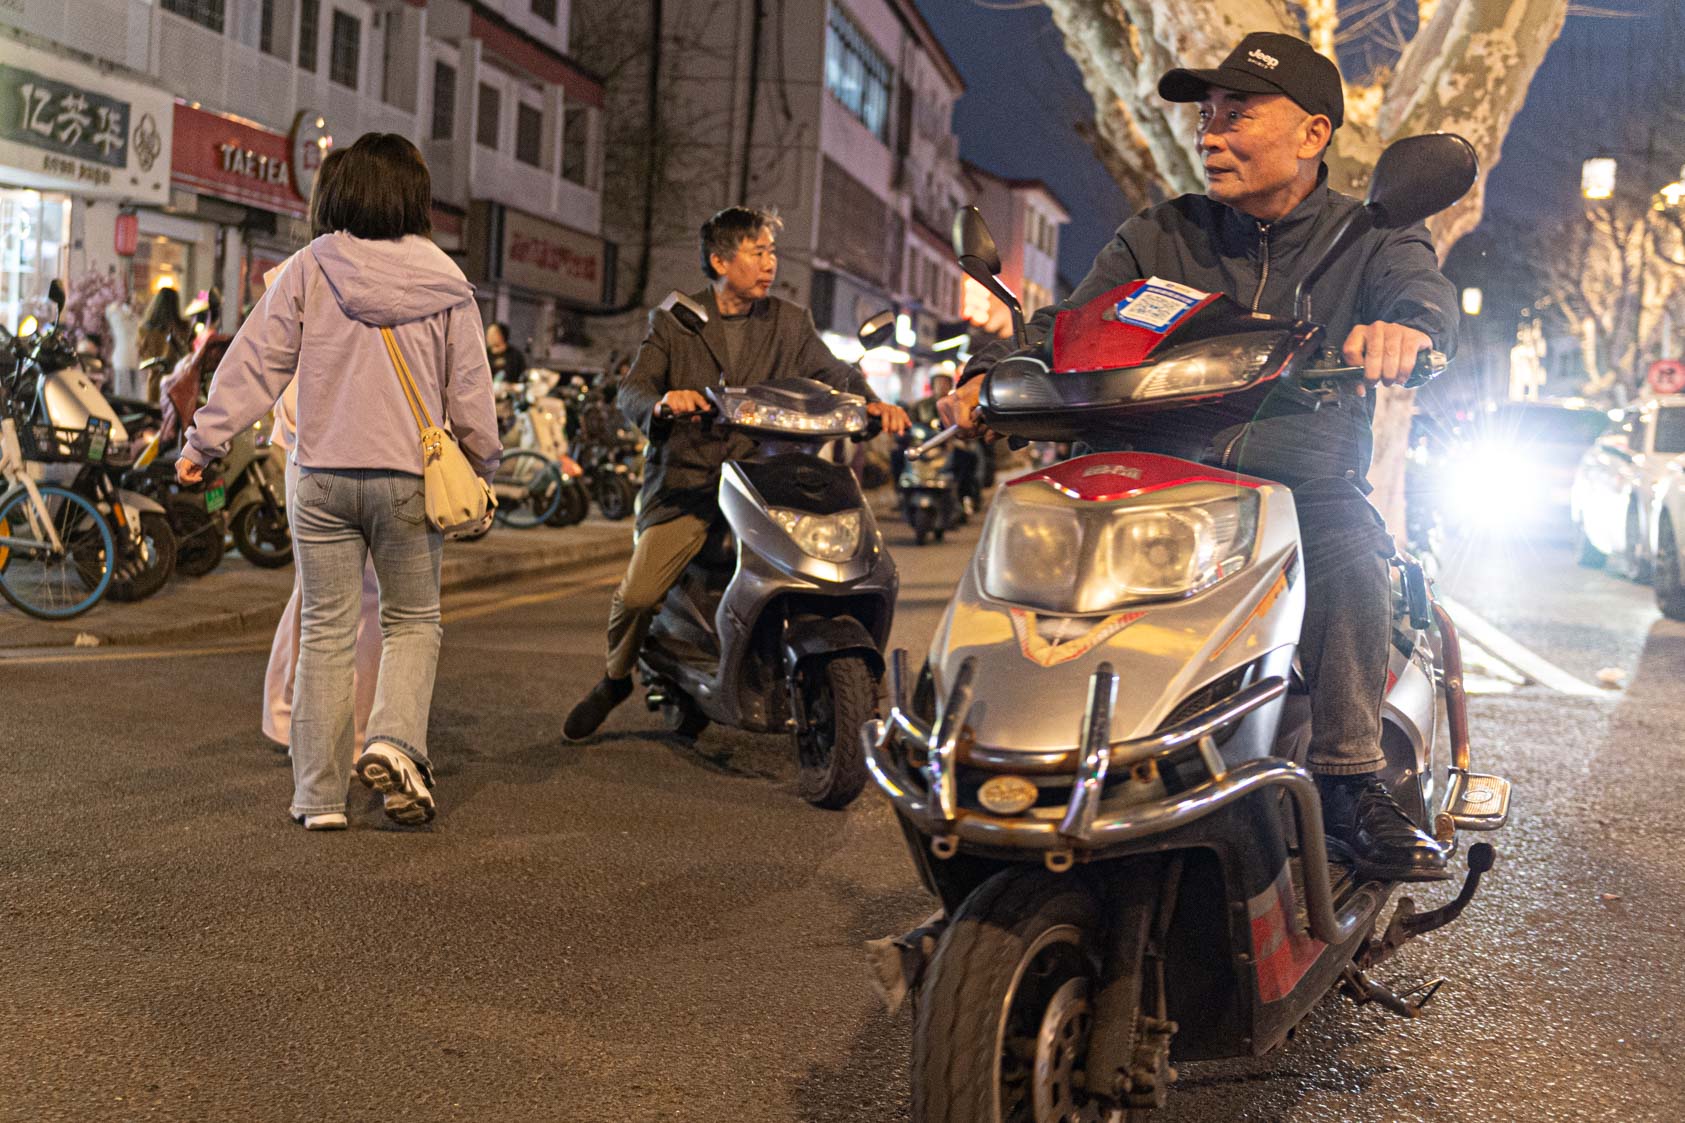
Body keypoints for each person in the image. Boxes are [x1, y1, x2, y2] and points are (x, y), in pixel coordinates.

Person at [941, 32, 1459, 881]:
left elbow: (1419, 296)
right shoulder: (1160, 232)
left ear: (1313, 133)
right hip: (1146, 476)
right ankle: (988, 741)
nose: (1209, 134)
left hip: (1295, 481)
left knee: (1350, 550)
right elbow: (1068, 325)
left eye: (1236, 114)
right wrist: (990, 369)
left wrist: (1406, 330)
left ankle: (1348, 777)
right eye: (1205, 116)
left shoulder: (1369, 236)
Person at [177, 133, 500, 830]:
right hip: (409, 482)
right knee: (411, 622)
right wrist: (483, 463)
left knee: (325, 632)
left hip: (320, 478)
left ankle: (318, 798)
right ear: (414, 196)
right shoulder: (445, 281)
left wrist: (203, 440)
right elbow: (471, 390)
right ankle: (393, 741)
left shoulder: (308, 267)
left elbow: (255, 361)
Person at [563, 205, 910, 740]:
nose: (770, 263)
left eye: (772, 252)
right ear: (720, 260)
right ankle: (614, 679)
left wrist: (873, 403)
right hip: (693, 486)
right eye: (757, 252)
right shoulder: (676, 321)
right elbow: (634, 389)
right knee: (637, 596)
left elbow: (835, 374)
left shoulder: (790, 322)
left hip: (768, 485)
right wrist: (663, 403)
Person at [257, 147, 384, 757]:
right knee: (342, 594)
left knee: (333, 593)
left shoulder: (319, 272)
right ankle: (319, 725)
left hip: (328, 450)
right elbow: (269, 370)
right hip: (324, 449)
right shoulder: (305, 274)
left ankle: (319, 722)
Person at [137, 286, 191, 403]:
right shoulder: (183, 328)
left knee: (154, 411)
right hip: (177, 381)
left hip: (155, 381)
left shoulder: (146, 330)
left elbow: (141, 354)